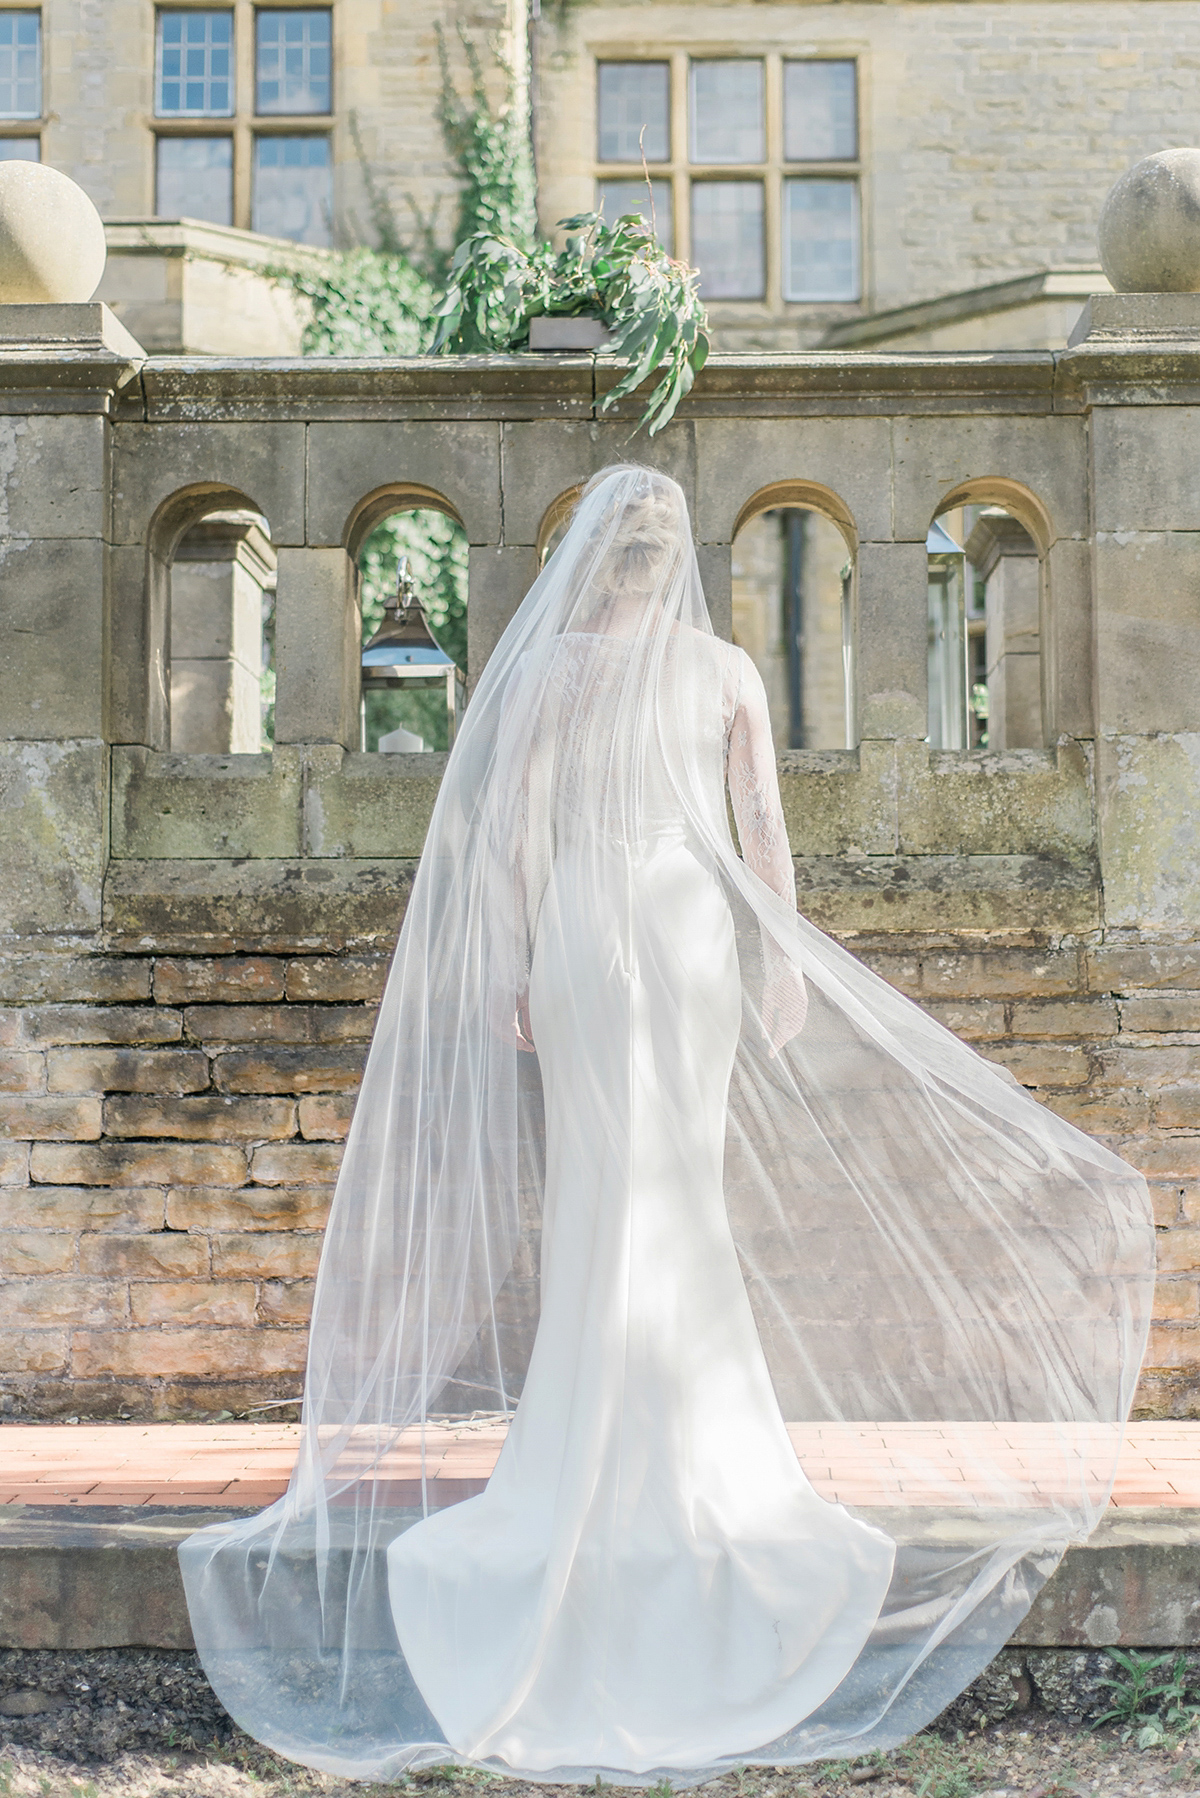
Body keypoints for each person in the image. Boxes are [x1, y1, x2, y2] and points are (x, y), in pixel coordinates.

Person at [180, 465, 1155, 1784]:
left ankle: (579, 1454)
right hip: (690, 941)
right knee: (674, 1193)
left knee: (602, 1193)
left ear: (593, 559)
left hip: (586, 937)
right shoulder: (724, 673)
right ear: (674, 556)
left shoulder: (547, 677)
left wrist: (525, 955)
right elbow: (761, 829)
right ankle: (701, 1451)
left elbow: (515, 831)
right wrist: (783, 959)